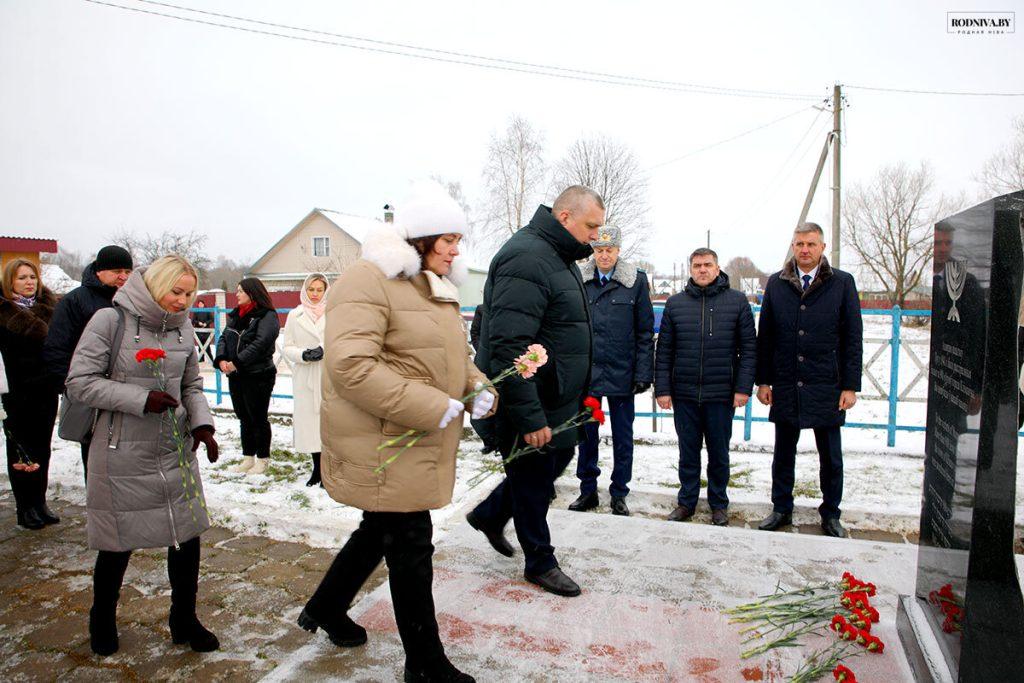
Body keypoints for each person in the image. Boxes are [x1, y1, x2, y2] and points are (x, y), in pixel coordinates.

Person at [301, 181, 495, 683]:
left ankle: (325, 607)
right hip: (384, 439)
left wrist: (477, 387)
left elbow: (451, 357)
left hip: (410, 436)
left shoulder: (432, 285)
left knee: (378, 531)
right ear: (422, 238)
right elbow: (351, 366)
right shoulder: (367, 280)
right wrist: (433, 406)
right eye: (448, 239)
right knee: (410, 542)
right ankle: (425, 664)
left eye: (458, 239)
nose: (456, 250)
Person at [65, 255, 220, 656]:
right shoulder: (109, 321)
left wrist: (202, 424)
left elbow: (192, 384)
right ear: (155, 285)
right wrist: (140, 399)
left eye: (189, 294)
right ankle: (102, 618)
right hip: (121, 450)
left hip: (173, 447)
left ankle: (184, 617)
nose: (183, 301)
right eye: (176, 291)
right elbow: (80, 382)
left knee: (186, 535)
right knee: (117, 542)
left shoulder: (183, 326)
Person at [466, 185, 603, 598]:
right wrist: (530, 418)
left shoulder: (557, 257)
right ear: (565, 217)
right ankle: (540, 561)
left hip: (557, 394)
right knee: (532, 478)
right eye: (591, 226)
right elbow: (509, 345)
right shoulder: (526, 257)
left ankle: (491, 514)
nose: (596, 236)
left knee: (552, 463)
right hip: (534, 399)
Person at [755, 223, 863, 538]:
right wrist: (764, 381)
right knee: (783, 452)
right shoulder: (777, 283)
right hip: (787, 382)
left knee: (831, 455)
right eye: (800, 244)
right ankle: (781, 509)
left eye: (811, 244)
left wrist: (849, 386)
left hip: (826, 383)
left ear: (822, 247)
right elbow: (767, 337)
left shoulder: (842, 283)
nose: (805, 250)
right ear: (793, 245)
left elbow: (852, 337)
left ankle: (831, 514)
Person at [654, 248, 756, 526]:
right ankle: (686, 502)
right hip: (684, 393)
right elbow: (664, 350)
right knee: (688, 452)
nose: (702, 270)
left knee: (718, 453)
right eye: (697, 265)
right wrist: (662, 390)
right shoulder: (675, 304)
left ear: (717, 267)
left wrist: (743, 388)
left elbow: (748, 348)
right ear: (690, 269)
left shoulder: (737, 302)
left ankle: (718, 504)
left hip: (721, 393)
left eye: (707, 265)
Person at [568, 226, 653, 517]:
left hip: (622, 375)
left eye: (609, 250)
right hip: (589, 377)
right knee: (586, 436)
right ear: (594, 251)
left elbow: (644, 332)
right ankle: (587, 490)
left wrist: (643, 373)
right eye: (599, 250)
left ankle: (619, 493)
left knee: (622, 437)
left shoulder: (635, 282)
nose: (604, 255)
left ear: (618, 251)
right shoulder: (580, 279)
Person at [43, 244, 133, 481]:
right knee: (96, 458)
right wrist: (72, 387)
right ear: (99, 271)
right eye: (116, 271)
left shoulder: (134, 301)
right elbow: (57, 348)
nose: (123, 277)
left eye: (127, 271)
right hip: (93, 392)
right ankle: (99, 507)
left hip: (129, 390)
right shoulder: (75, 302)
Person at [0, 259, 60, 529]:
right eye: (22, 277)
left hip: (45, 390)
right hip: (16, 392)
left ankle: (40, 501)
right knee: (21, 450)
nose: (29, 282)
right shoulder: (3, 313)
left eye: (33, 277)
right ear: (10, 282)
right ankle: (25, 507)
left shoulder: (49, 310)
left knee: (42, 448)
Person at [213, 278, 280, 476]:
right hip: (237, 376)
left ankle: (262, 459)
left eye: (241, 291)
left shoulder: (267, 316)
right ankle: (248, 457)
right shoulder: (236, 315)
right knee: (244, 417)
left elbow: (260, 344)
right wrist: (222, 359)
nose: (237, 294)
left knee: (258, 417)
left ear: (252, 293)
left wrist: (237, 362)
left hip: (258, 375)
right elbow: (224, 337)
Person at [280, 273, 328, 487]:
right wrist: (304, 355)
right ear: (305, 290)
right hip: (306, 377)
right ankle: (316, 469)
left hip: (328, 375)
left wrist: (325, 350)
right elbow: (287, 346)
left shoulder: (334, 313)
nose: (315, 294)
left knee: (329, 424)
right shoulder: (295, 315)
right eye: (311, 289)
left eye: (319, 289)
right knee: (310, 425)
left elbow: (343, 339)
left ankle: (328, 471)